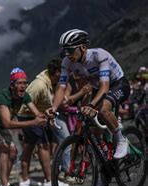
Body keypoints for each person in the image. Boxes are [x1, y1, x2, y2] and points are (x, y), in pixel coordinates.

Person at [46, 29, 131, 163]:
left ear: (83, 47)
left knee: (103, 109)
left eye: (70, 50)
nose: (67, 54)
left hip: (118, 83)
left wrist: (91, 105)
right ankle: (105, 168)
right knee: (92, 127)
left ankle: (121, 140)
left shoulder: (99, 55)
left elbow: (105, 87)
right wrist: (54, 108)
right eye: (65, 50)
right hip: (99, 88)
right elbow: (61, 87)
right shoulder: (66, 62)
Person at [0, 68, 46, 186]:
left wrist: (46, 116)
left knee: (13, 152)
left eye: (25, 83)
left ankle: (6, 183)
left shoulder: (25, 95)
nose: (23, 86)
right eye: (19, 83)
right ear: (12, 85)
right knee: (3, 149)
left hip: (0, 125)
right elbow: (7, 123)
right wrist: (34, 122)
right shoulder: (2, 97)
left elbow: (37, 113)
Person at [17, 59, 69, 186]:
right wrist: (39, 115)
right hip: (29, 116)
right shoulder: (39, 84)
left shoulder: (48, 82)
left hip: (34, 116)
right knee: (43, 146)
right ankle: (49, 180)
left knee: (29, 147)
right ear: (57, 72)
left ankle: (24, 178)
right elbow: (25, 102)